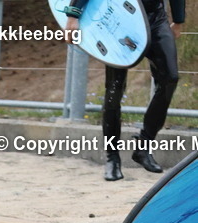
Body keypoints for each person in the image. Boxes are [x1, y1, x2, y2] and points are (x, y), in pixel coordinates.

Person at [64, 0, 185, 181]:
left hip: (155, 19)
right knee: (114, 90)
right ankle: (112, 157)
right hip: (119, 20)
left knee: (170, 78)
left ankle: (143, 146)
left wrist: (179, 19)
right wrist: (73, 14)